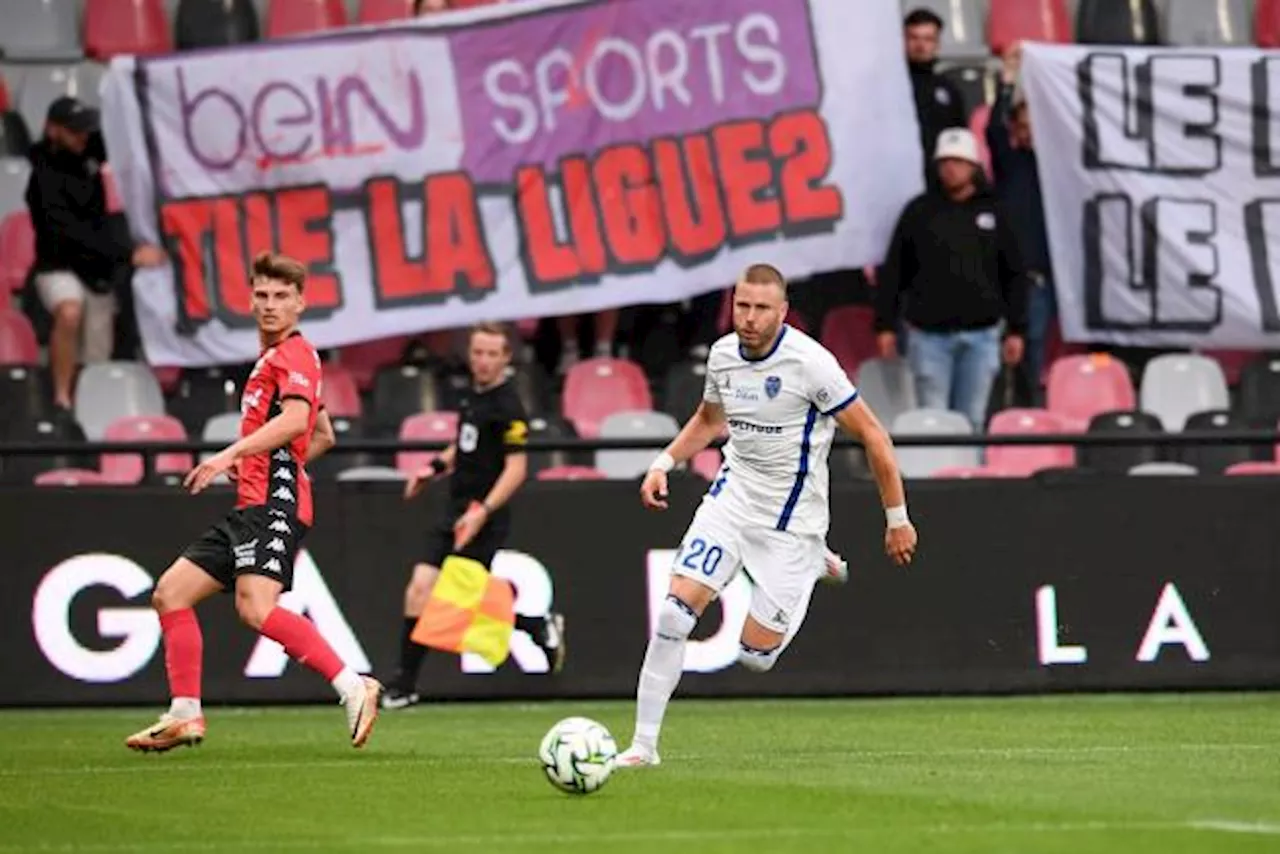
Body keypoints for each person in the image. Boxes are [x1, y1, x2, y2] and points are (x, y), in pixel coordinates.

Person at [615, 264, 918, 767]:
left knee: (756, 659)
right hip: (731, 499)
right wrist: (664, 461)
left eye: (760, 309)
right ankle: (643, 747)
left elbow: (873, 435)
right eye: (741, 306)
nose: (749, 318)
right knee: (673, 615)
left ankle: (814, 565)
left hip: (792, 524)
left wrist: (897, 518)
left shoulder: (811, 364)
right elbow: (710, 420)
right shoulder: (722, 355)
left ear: (782, 311)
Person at [125, 252, 381, 752]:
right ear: (251, 300)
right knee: (170, 593)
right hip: (254, 501)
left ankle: (355, 685)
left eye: (282, 296)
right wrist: (274, 461)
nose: (270, 305)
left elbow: (294, 421)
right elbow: (320, 432)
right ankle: (184, 714)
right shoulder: (273, 359)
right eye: (262, 295)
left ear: (300, 303)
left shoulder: (296, 353)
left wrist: (232, 456)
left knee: (256, 609)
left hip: (271, 504)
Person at [384, 323, 566, 709]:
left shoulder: (508, 407)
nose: (482, 361)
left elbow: (516, 470)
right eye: (477, 353)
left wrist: (482, 512)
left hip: (482, 517)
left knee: (454, 604)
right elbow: (463, 443)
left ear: (505, 358)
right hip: (454, 510)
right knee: (419, 589)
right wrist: (431, 468)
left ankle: (535, 625)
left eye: (491, 354)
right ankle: (404, 684)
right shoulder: (472, 396)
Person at [875, 128, 1027, 430]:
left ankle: (970, 475)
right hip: (929, 337)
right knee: (934, 419)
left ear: (973, 166)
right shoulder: (919, 212)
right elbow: (894, 271)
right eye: (944, 161)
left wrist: (1016, 329)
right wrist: (885, 325)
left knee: (972, 418)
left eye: (958, 161)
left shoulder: (995, 212)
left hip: (982, 336)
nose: (951, 168)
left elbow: (1013, 273)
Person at [25, 96, 166, 411]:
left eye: (84, 130)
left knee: (97, 356)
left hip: (97, 270)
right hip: (58, 265)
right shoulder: (43, 178)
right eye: (74, 131)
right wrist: (128, 254)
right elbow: (72, 236)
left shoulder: (87, 150)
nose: (82, 136)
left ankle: (88, 401)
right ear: (53, 130)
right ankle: (61, 395)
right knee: (69, 310)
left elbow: (121, 134)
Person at [987, 42, 1055, 390]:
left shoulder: (1059, 167)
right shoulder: (1010, 163)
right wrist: (1008, 80)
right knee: (999, 357)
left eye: (1035, 125)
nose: (1029, 132)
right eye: (1023, 125)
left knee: (1034, 353)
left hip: (1044, 277)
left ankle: (1031, 422)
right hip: (1009, 276)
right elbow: (993, 131)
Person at [903, 8, 968, 190]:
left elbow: (959, 137)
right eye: (914, 38)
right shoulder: (890, 84)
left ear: (937, 44)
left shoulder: (948, 90)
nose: (920, 45)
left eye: (928, 39)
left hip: (939, 183)